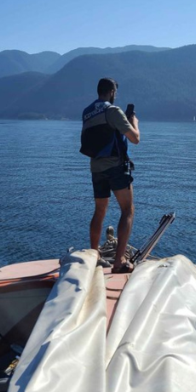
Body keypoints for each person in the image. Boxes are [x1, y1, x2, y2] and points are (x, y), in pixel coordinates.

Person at [80, 78, 140, 274]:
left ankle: (94, 255)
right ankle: (118, 262)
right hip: (115, 166)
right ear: (112, 92)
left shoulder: (87, 112)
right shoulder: (112, 111)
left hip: (96, 168)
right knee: (128, 210)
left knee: (99, 211)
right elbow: (135, 138)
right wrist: (134, 123)